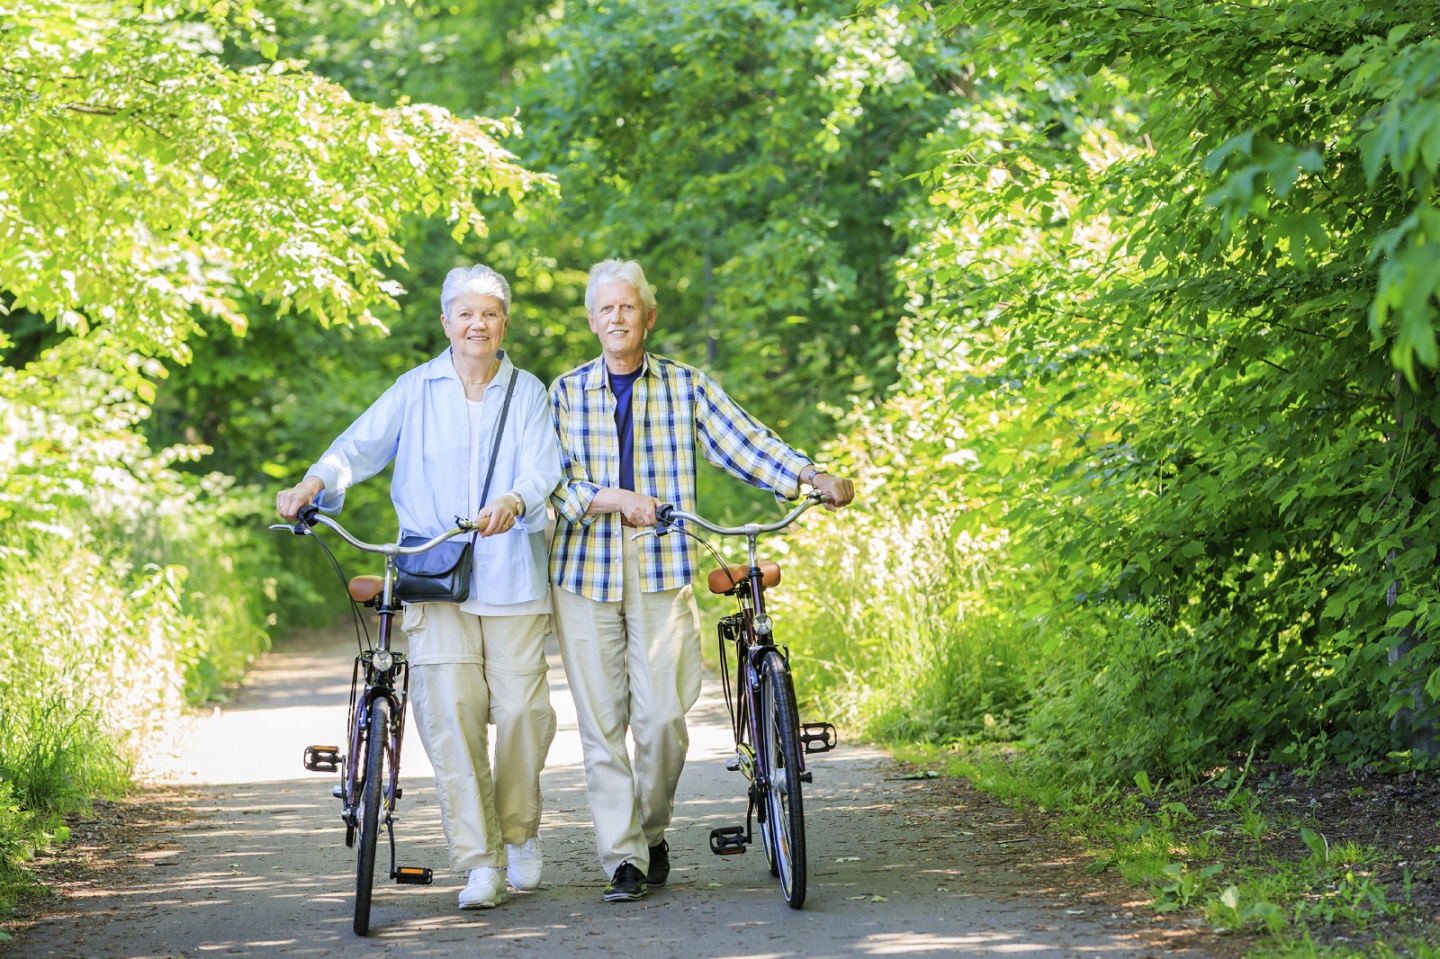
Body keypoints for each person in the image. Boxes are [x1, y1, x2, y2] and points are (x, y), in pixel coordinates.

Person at [548, 258, 856, 902]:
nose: (616, 318)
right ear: (590, 320)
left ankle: (651, 830)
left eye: (627, 307)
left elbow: (745, 442)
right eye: (604, 309)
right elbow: (551, 482)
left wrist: (809, 475)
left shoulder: (685, 386)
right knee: (602, 724)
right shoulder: (566, 392)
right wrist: (615, 498)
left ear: (648, 316)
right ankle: (624, 858)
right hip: (584, 571)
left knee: (663, 719)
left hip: (661, 567)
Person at [275, 265, 561, 910]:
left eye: (489, 313)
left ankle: (519, 835)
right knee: (450, 719)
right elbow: (358, 447)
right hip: (435, 579)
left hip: (513, 574)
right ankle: (479, 859)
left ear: (504, 323)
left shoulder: (528, 392)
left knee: (522, 716)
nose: (476, 324)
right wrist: (312, 485)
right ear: (445, 323)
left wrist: (516, 499)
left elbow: (545, 466)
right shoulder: (415, 388)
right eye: (464, 313)